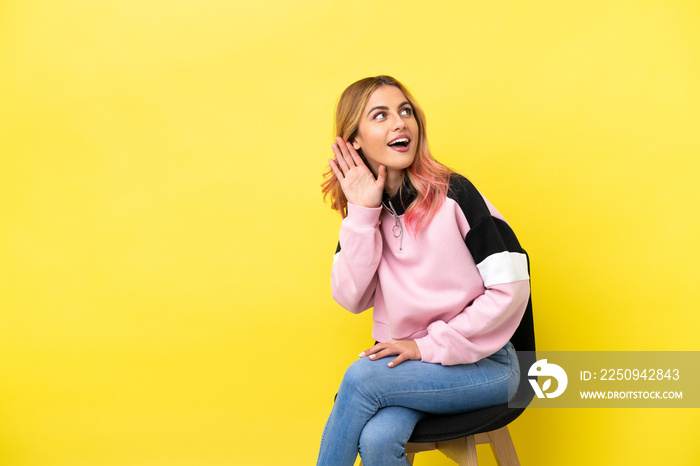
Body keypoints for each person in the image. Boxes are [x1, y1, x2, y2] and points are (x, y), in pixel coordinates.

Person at [317, 75, 531, 466]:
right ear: (355, 140)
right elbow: (351, 297)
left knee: (361, 378)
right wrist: (363, 214)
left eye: (405, 111)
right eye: (380, 115)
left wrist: (425, 346)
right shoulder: (364, 212)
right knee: (379, 439)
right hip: (417, 370)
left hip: (489, 366)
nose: (400, 122)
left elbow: (512, 286)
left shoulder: (455, 195)